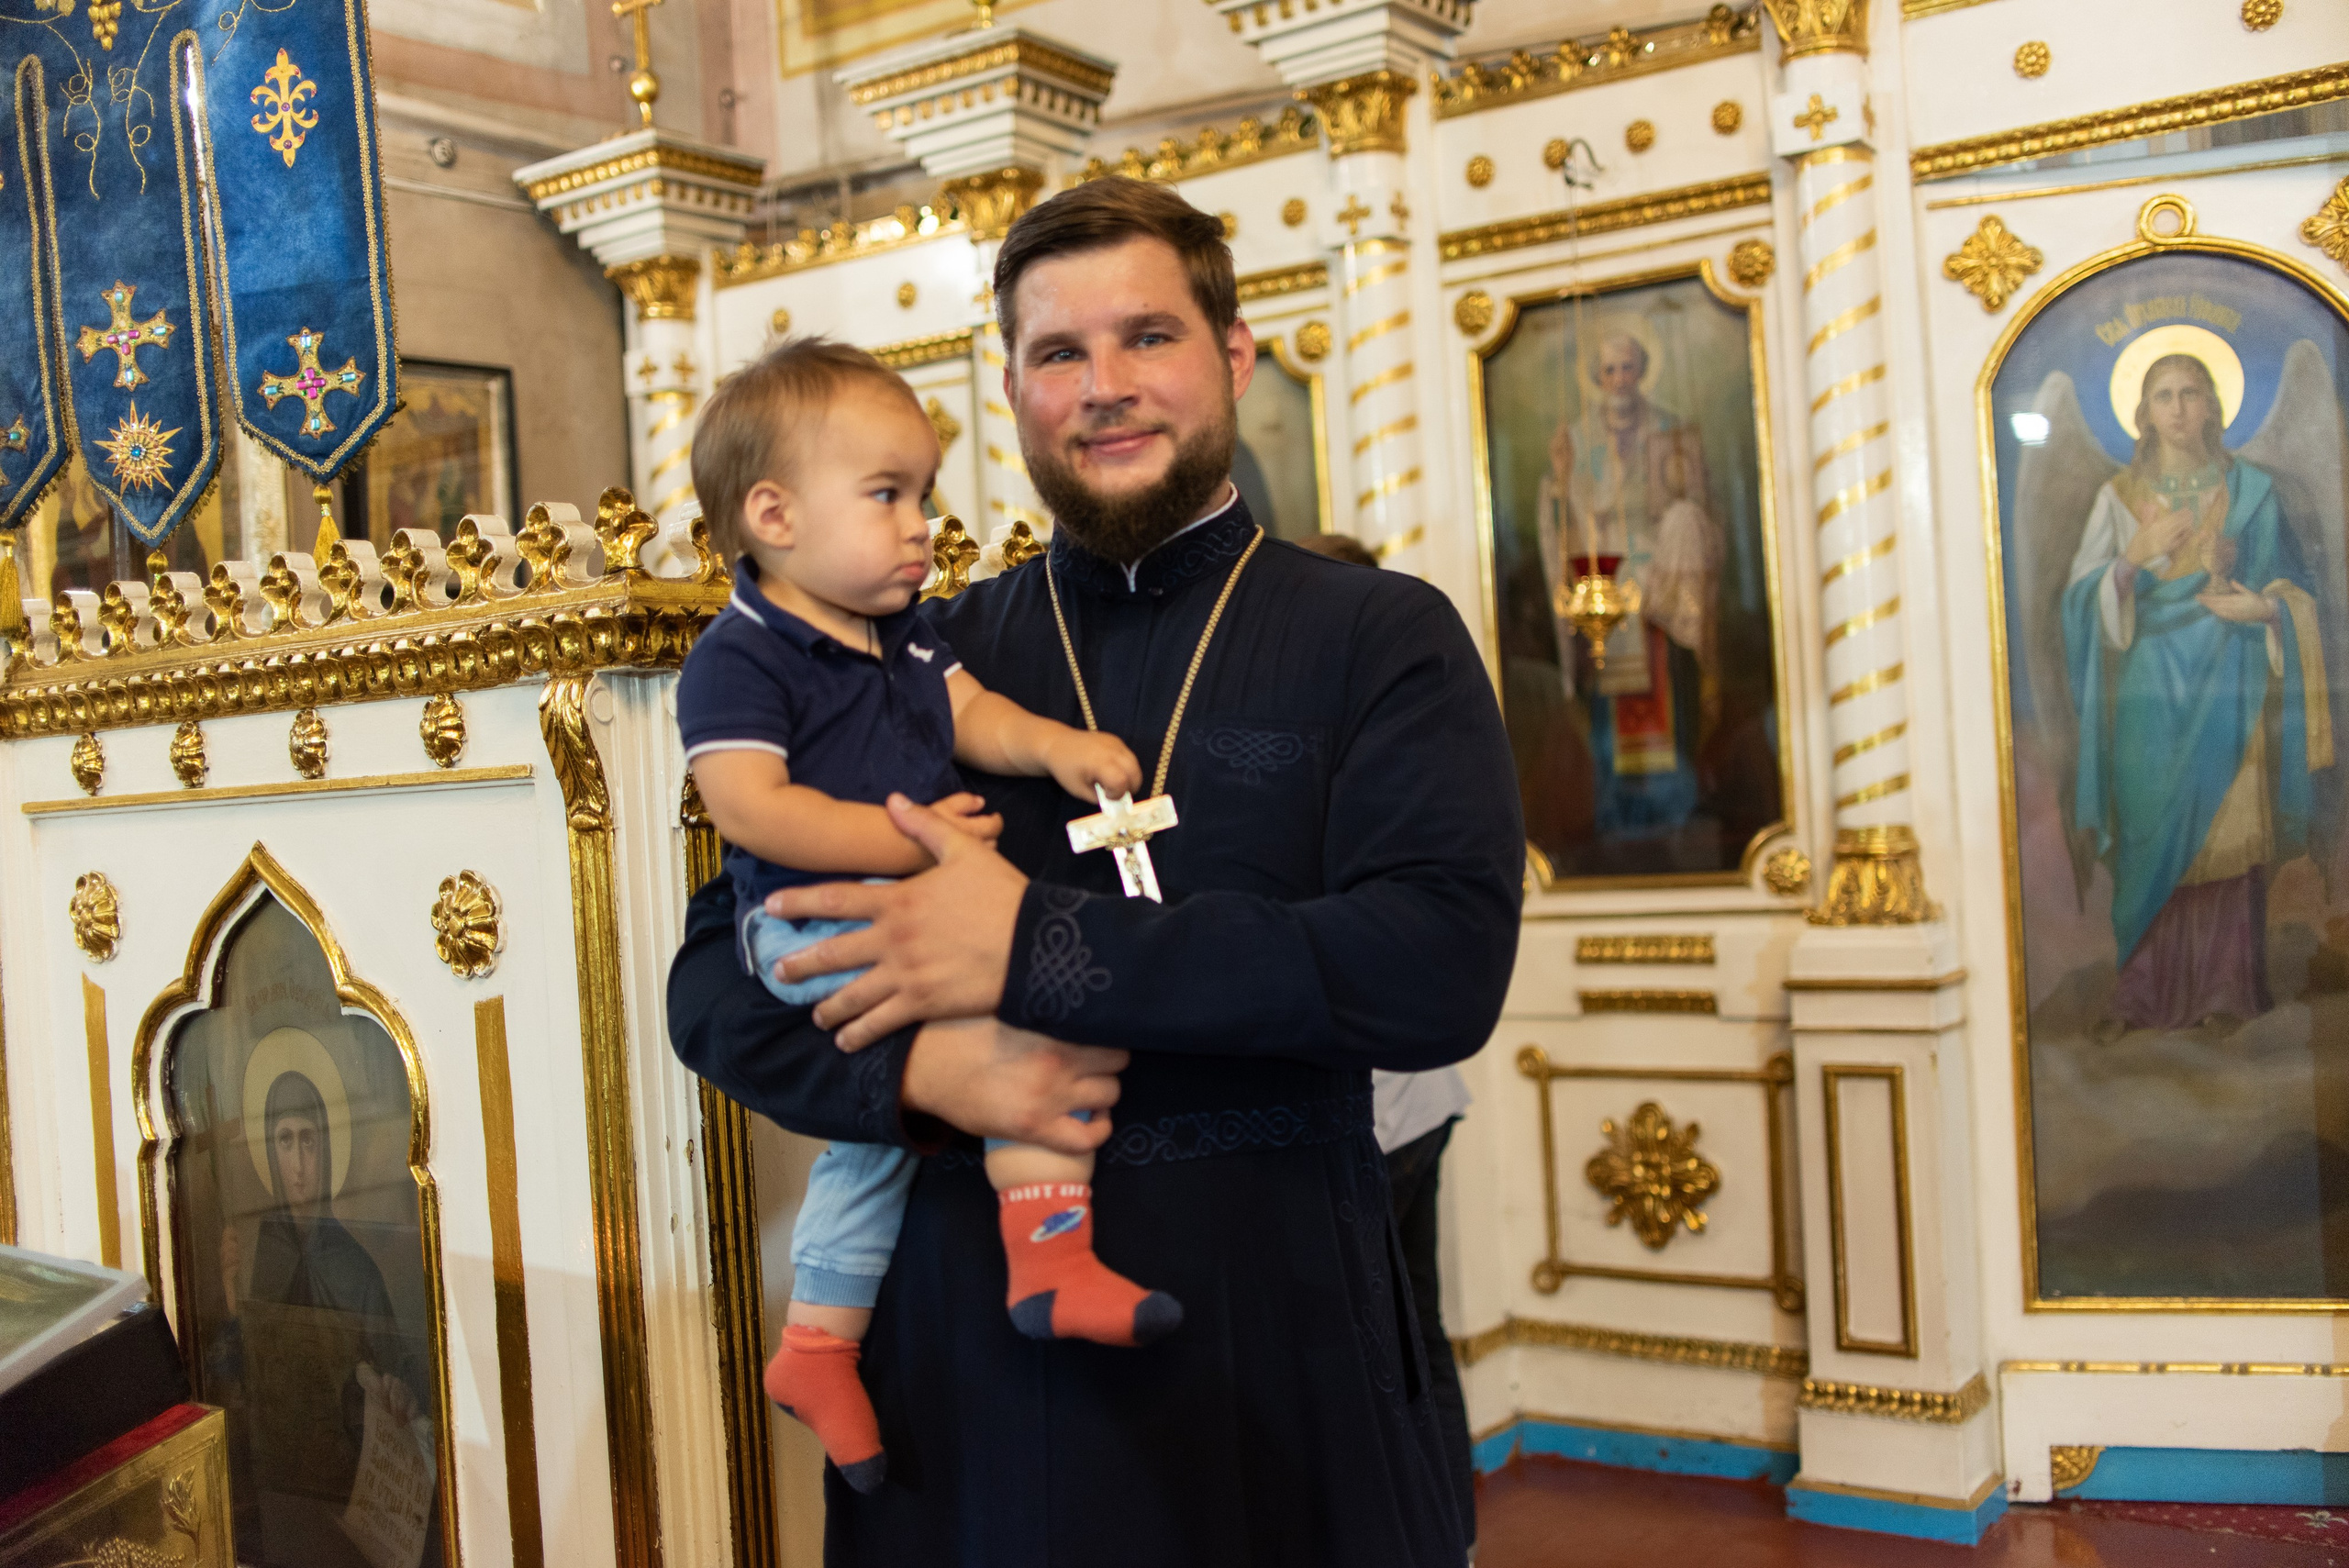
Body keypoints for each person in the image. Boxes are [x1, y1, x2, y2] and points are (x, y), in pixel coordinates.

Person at [668, 176, 1523, 1567]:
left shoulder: (1381, 636)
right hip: (971, 1371)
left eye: (1149, 339)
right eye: (1059, 354)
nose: (1105, 388)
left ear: (1234, 358)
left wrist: (1033, 945)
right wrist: (918, 1080)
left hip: (1276, 1339)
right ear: (1010, 390)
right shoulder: (906, 657)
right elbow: (713, 982)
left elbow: (1437, 965)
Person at [674, 337, 1178, 1496]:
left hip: (897, 902)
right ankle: (1044, 1255)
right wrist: (915, 838)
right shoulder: (738, 655)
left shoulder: (902, 633)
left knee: (878, 1146)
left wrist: (1057, 749)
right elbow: (751, 807)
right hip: (806, 918)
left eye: (926, 496)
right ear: (775, 513)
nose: (922, 528)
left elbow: (977, 714)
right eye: (888, 496)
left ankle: (817, 1343)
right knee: (1022, 1042)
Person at [1291, 528, 1476, 1540]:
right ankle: (1453, 1538)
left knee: (1371, 1357)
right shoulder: (1399, 735)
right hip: (1420, 1096)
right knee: (1418, 1340)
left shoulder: (1340, 745)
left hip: (1372, 1107)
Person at [2064, 351, 2330, 1033]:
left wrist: (2267, 612)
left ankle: (2225, 991)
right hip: (2151, 691)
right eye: (2163, 395)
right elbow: (2080, 603)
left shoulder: (2253, 493)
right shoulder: (2118, 499)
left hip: (2230, 676)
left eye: (2190, 393)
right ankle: (2142, 994)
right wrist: (2132, 557)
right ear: (2143, 411)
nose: (2178, 407)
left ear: (2214, 404)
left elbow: (2297, 591)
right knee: (2152, 829)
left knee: (2227, 831)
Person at [1534, 331, 1722, 830]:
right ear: (1597, 378)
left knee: (1670, 681)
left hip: (1662, 585)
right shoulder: (1574, 440)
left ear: (1642, 371)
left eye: (1628, 367)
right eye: (1609, 370)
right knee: (1609, 701)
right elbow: (1560, 521)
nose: (1619, 379)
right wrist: (1559, 480)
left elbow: (1701, 508)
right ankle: (1617, 811)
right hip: (1605, 584)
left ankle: (1677, 807)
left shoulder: (1671, 430)